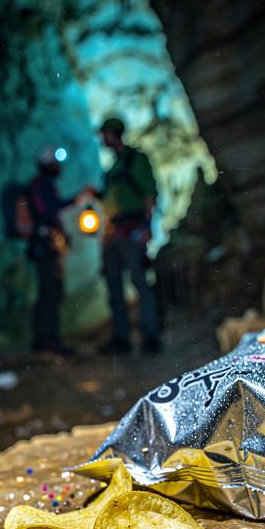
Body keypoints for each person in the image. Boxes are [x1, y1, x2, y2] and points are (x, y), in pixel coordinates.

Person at [88, 116, 161, 355]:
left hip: (131, 230)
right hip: (112, 233)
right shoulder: (113, 169)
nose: (102, 139)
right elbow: (111, 200)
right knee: (114, 286)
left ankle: (150, 336)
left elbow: (149, 194)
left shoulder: (135, 160)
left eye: (105, 134)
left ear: (114, 134)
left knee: (140, 282)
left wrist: (147, 226)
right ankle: (122, 338)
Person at [24, 145, 76, 355]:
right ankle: (46, 341)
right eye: (55, 163)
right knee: (49, 292)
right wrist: (76, 199)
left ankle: (48, 339)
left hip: (46, 244)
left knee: (51, 292)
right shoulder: (40, 185)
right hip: (45, 245)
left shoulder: (42, 185)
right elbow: (50, 210)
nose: (58, 167)